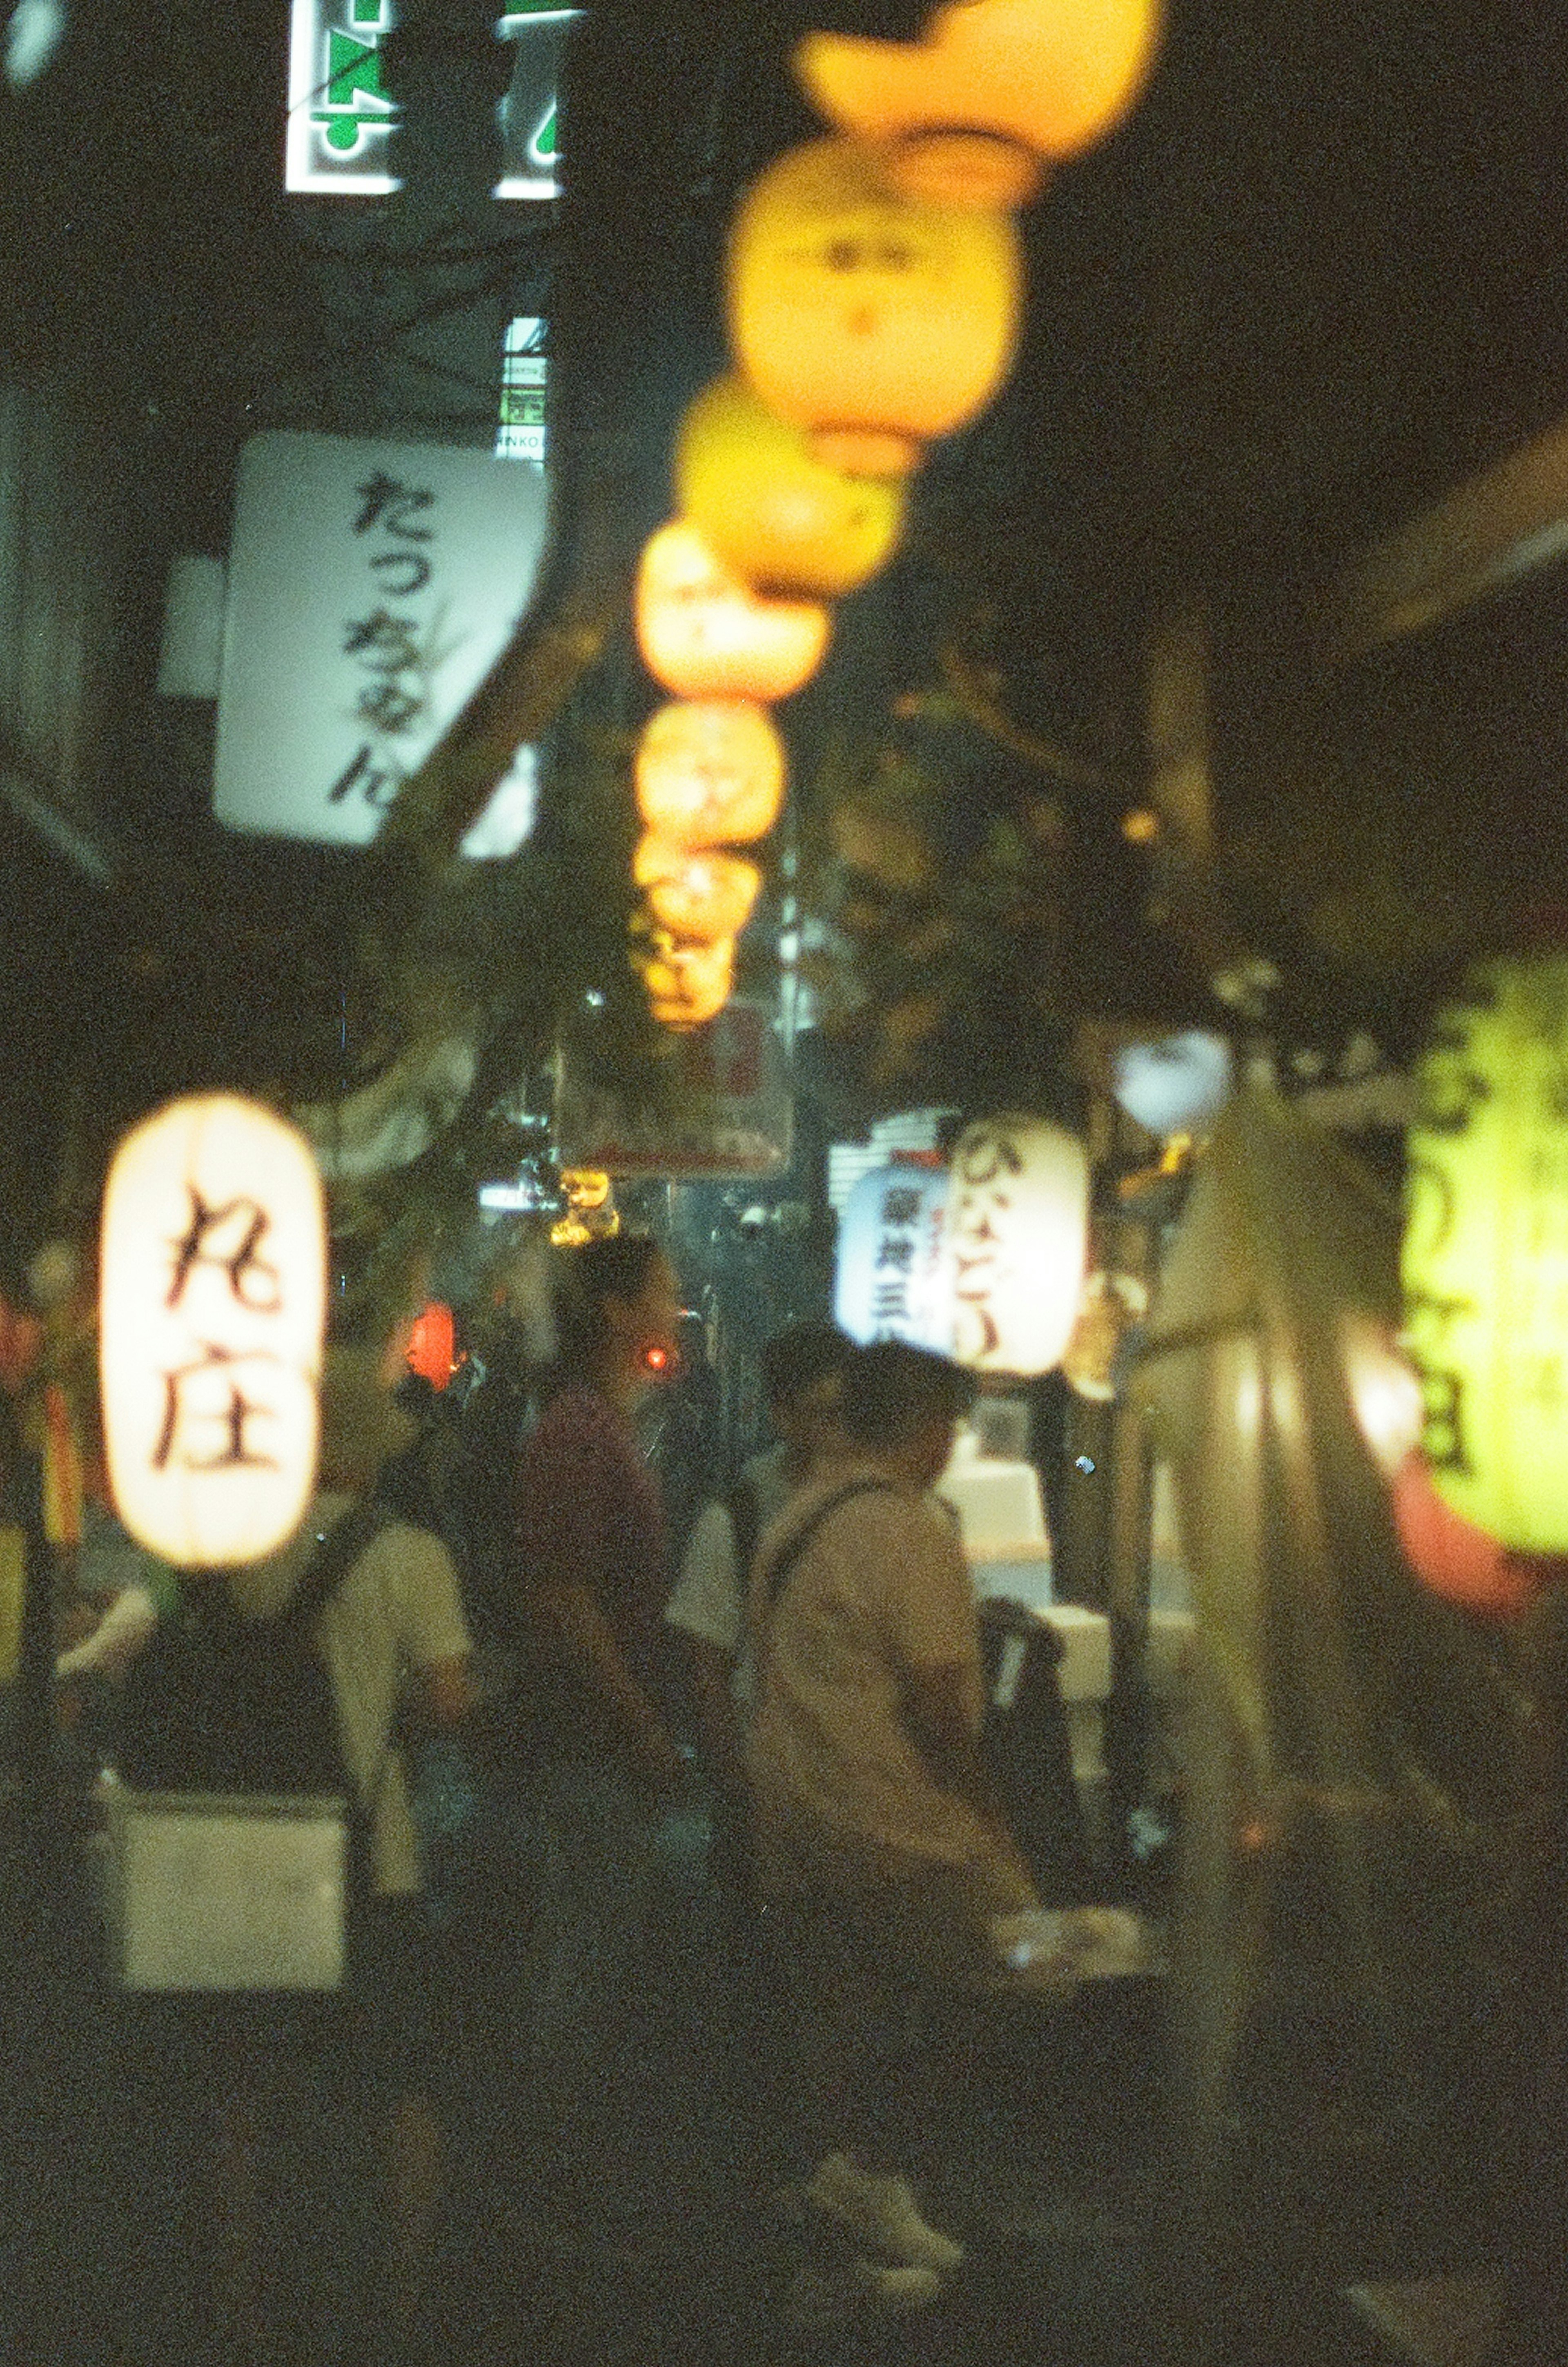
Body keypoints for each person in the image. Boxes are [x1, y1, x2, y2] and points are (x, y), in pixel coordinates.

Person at [108, 1340, 474, 2365]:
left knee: (242, 2092)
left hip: (239, 1853)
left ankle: (239, 2316)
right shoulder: (407, 1553)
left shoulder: (221, 1546)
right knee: (402, 2087)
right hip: (370, 1858)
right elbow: (445, 1705)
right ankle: (397, 2312)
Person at [746, 1339, 1038, 2310]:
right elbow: (943, 1711)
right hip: (889, 1823)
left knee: (850, 2024)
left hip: (794, 1816)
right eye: (948, 1426)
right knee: (1020, 1972)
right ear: (924, 1428)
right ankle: (871, 2175)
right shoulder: (906, 1530)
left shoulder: (797, 1519)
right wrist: (995, 1825)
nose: (950, 1445)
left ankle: (842, 2264)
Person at [496, 1233, 686, 2197]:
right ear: (617, 1313)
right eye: (665, 1290)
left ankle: (559, 2167)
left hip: (598, 1739)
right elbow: (564, 1599)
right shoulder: (578, 1433)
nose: (678, 1305)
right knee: (581, 1959)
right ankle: (551, 2176)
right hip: (588, 1744)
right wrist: (643, 1729)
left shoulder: (600, 1424)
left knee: (591, 1953)